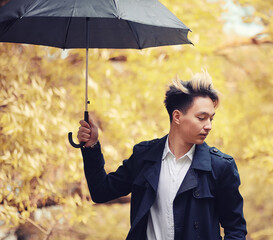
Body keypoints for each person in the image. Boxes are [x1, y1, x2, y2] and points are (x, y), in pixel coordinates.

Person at [77, 71, 247, 240]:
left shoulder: (220, 166)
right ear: (177, 116)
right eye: (202, 118)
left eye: (211, 119)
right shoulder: (144, 157)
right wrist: (91, 146)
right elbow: (101, 192)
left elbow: (236, 229)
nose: (209, 126)